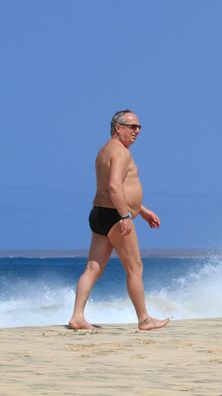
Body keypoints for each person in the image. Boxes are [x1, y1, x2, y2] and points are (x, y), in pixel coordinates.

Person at [68, 110, 169, 331]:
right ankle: (144, 319)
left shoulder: (105, 150)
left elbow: (118, 187)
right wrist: (126, 215)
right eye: (132, 127)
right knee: (135, 268)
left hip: (99, 214)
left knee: (93, 268)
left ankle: (77, 317)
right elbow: (114, 186)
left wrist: (141, 210)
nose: (137, 131)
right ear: (118, 128)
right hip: (116, 216)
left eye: (139, 127)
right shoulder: (121, 152)